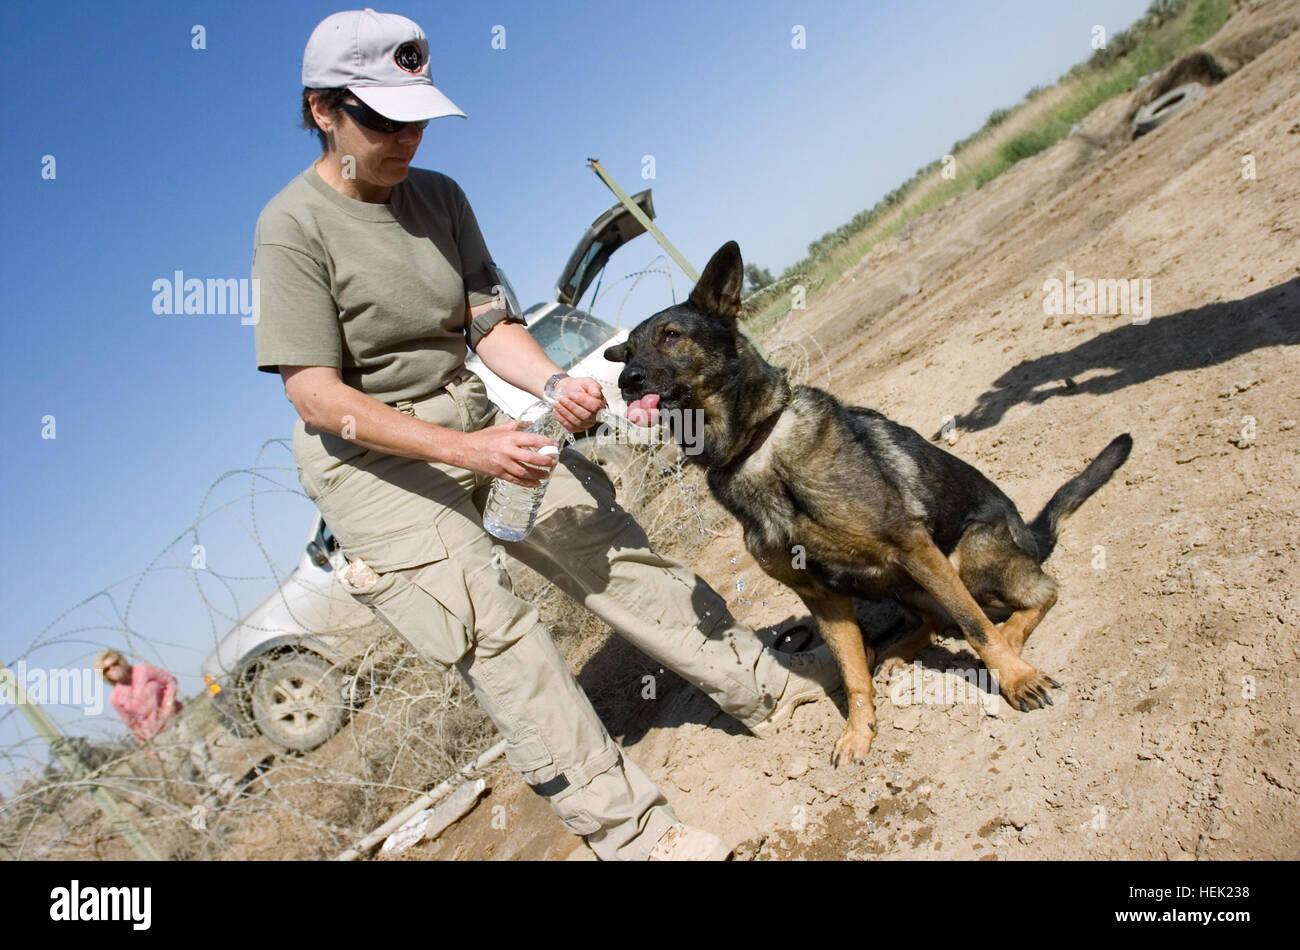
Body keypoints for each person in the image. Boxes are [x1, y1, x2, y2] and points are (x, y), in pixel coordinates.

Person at [251, 9, 839, 861]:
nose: (405, 136)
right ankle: (635, 835)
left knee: (601, 541)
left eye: (415, 114)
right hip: (372, 467)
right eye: (381, 119)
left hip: (472, 419)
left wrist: (553, 382)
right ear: (322, 112)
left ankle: (759, 686)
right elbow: (313, 395)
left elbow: (488, 325)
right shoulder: (291, 228)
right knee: (497, 635)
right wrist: (465, 452)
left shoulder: (440, 198)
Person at [95, 649, 238, 806]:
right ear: (104, 675)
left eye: (114, 664)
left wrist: (169, 703)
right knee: (186, 771)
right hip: (158, 736)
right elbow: (132, 723)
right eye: (106, 669)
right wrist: (146, 745)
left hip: (178, 720)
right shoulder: (116, 698)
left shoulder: (143, 671)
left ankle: (228, 790)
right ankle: (212, 802)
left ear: (121, 661)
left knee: (201, 755)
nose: (112, 669)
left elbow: (170, 680)